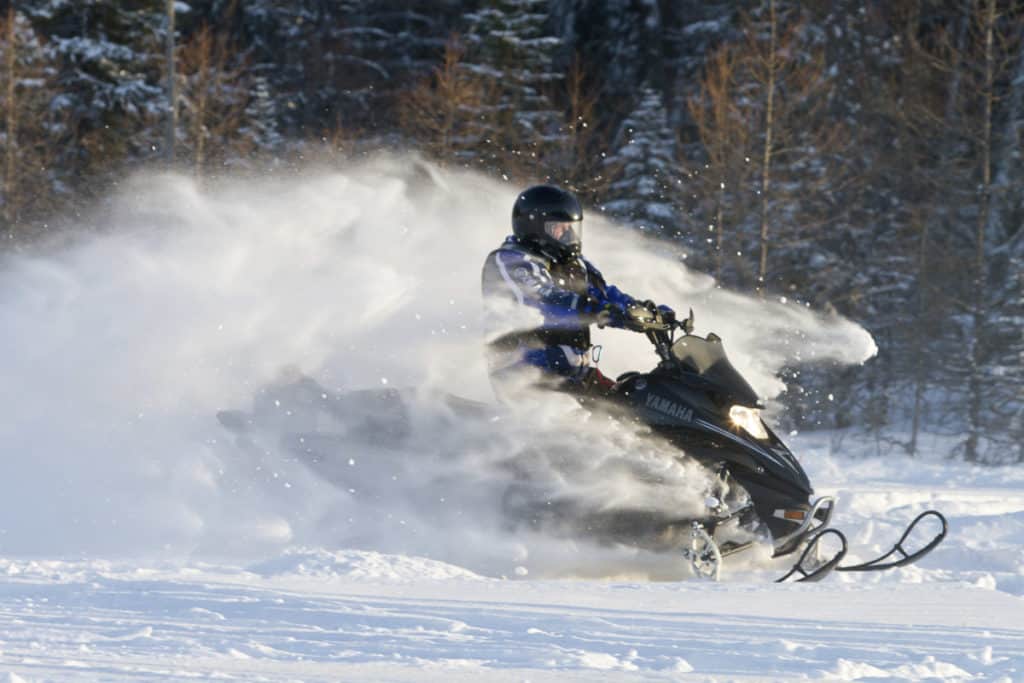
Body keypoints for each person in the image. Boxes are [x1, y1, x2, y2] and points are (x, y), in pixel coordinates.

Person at [481, 184, 675, 401]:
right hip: (531, 378)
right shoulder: (513, 261)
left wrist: (645, 313)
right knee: (616, 420)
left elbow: (607, 295)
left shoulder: (576, 265)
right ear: (534, 228)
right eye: (560, 228)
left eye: (572, 228)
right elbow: (544, 299)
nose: (569, 235)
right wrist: (593, 308)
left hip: (573, 377)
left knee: (641, 403)